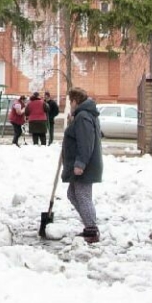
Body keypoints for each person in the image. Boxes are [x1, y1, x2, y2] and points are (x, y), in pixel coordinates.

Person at [61, 88, 103, 243]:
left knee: (82, 196)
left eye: (70, 102)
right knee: (73, 194)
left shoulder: (83, 116)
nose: (70, 105)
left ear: (74, 101)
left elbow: (86, 142)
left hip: (84, 165)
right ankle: (90, 226)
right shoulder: (83, 115)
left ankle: (91, 230)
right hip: (83, 163)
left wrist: (80, 164)